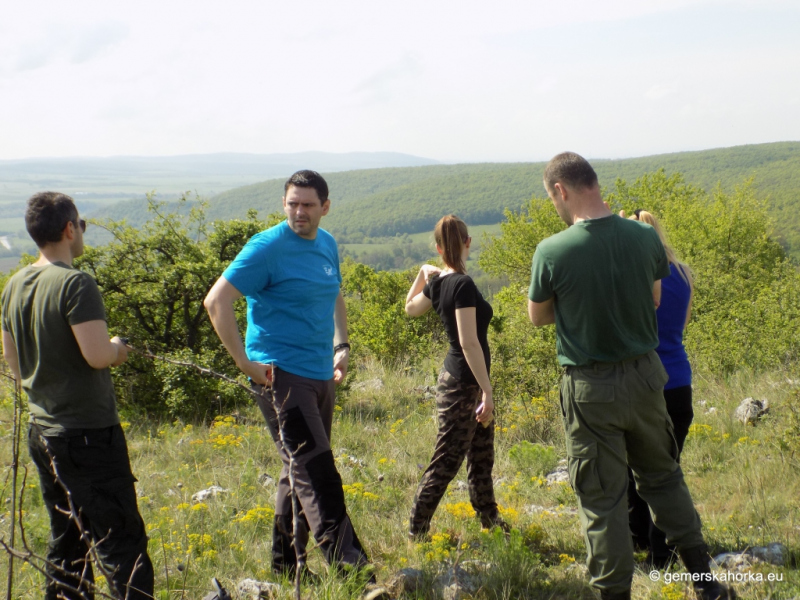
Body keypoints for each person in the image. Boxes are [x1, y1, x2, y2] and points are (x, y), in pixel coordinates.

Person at [527, 153, 735, 600]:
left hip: (590, 386)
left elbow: (538, 316)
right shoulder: (644, 237)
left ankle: (614, 594)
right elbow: (656, 298)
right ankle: (705, 582)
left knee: (602, 500)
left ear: (561, 190)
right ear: (594, 183)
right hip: (646, 377)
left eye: (552, 199)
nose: (555, 207)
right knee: (663, 479)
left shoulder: (552, 250)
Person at [204, 170, 370, 579]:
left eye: (308, 204)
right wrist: (244, 362)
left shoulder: (326, 244)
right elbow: (216, 301)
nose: (299, 212)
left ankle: (285, 566)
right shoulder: (266, 248)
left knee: (296, 469)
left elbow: (334, 295)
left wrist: (341, 345)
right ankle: (353, 572)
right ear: (284, 204)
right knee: (316, 470)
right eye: (293, 203)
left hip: (320, 374)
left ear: (325, 208)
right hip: (279, 376)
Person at [1, 192, 154, 600]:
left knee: (67, 539)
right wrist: (120, 346)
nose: (81, 231)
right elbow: (98, 354)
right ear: (70, 229)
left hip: (43, 430)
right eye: (81, 225)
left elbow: (13, 364)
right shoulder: (75, 283)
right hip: (88, 434)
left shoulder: (14, 284)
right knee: (122, 542)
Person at [404, 215, 507, 539]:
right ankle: (416, 530)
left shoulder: (437, 284)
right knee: (447, 460)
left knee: (480, 456)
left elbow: (410, 307)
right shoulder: (461, 285)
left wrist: (423, 274)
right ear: (467, 242)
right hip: (465, 383)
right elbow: (468, 342)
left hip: (459, 380)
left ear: (437, 247)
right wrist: (486, 391)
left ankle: (489, 519)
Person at [623, 209, 695, 568]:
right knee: (668, 469)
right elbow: (680, 325)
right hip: (680, 380)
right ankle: (658, 545)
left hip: (646, 382)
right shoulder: (683, 273)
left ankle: (650, 545)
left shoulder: (638, 277)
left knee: (632, 468)